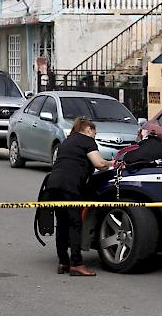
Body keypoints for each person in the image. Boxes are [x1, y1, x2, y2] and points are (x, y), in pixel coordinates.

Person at [45, 117, 113, 276]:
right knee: (74, 223)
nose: (94, 136)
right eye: (95, 133)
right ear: (89, 130)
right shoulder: (87, 140)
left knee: (61, 223)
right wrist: (112, 163)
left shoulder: (67, 142)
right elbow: (99, 164)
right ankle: (76, 264)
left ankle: (63, 262)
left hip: (53, 184)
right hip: (71, 186)